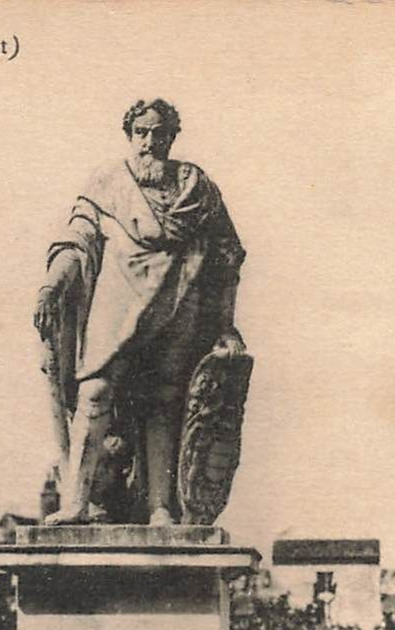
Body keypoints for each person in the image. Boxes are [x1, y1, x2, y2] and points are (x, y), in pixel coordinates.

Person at [34, 98, 246, 525]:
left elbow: (226, 257)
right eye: (142, 133)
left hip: (178, 301)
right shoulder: (107, 182)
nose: (151, 143)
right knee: (95, 392)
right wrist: (52, 284)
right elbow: (78, 237)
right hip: (117, 303)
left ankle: (160, 507)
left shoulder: (197, 189)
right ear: (130, 135)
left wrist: (225, 325)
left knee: (164, 401)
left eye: (160, 133)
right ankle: (77, 501)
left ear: (172, 136)